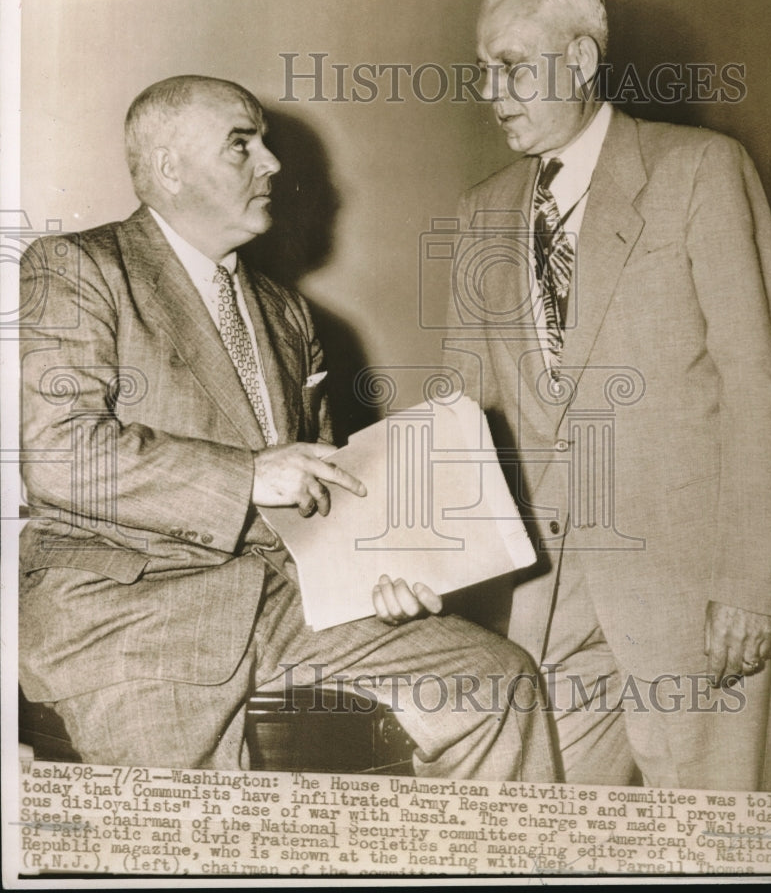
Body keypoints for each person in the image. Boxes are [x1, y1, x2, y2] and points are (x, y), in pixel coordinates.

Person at [18, 74, 555, 779]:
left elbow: (320, 497)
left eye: (265, 143)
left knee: (499, 682)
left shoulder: (285, 312)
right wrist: (247, 474)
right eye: (242, 145)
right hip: (128, 614)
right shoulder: (76, 268)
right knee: (189, 839)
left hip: (283, 604)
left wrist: (380, 573)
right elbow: (59, 453)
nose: (271, 163)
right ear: (168, 168)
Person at [443, 0, 771, 789]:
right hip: (540, 602)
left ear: (578, 59)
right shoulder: (482, 210)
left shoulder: (700, 170)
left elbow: (766, 385)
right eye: (482, 69)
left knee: (709, 843)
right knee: (533, 834)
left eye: (510, 66)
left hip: (694, 599)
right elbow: (465, 412)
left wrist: (753, 587)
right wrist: (413, 556)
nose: (490, 93)